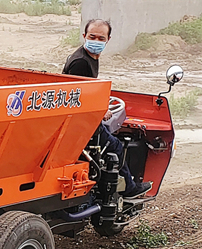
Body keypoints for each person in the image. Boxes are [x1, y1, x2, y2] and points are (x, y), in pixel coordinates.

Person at [63, 19, 152, 199]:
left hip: (82, 117)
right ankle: (128, 189)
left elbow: (87, 91)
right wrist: (100, 110)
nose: (96, 41)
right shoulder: (81, 62)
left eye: (100, 38)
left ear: (108, 40)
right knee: (116, 146)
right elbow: (74, 94)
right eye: (92, 36)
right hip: (79, 122)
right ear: (84, 36)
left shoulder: (89, 57)